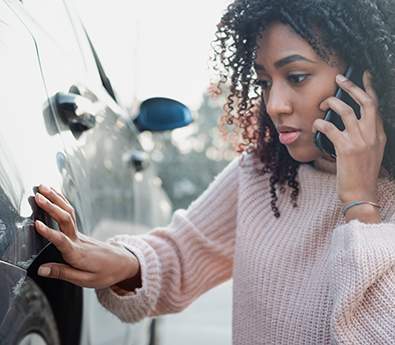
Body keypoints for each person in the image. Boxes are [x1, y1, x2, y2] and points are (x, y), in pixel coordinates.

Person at [34, 0, 395, 343]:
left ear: (367, 79)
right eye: (264, 83)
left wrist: (361, 206)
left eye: (297, 77)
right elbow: (180, 254)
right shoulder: (261, 175)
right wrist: (121, 263)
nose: (274, 105)